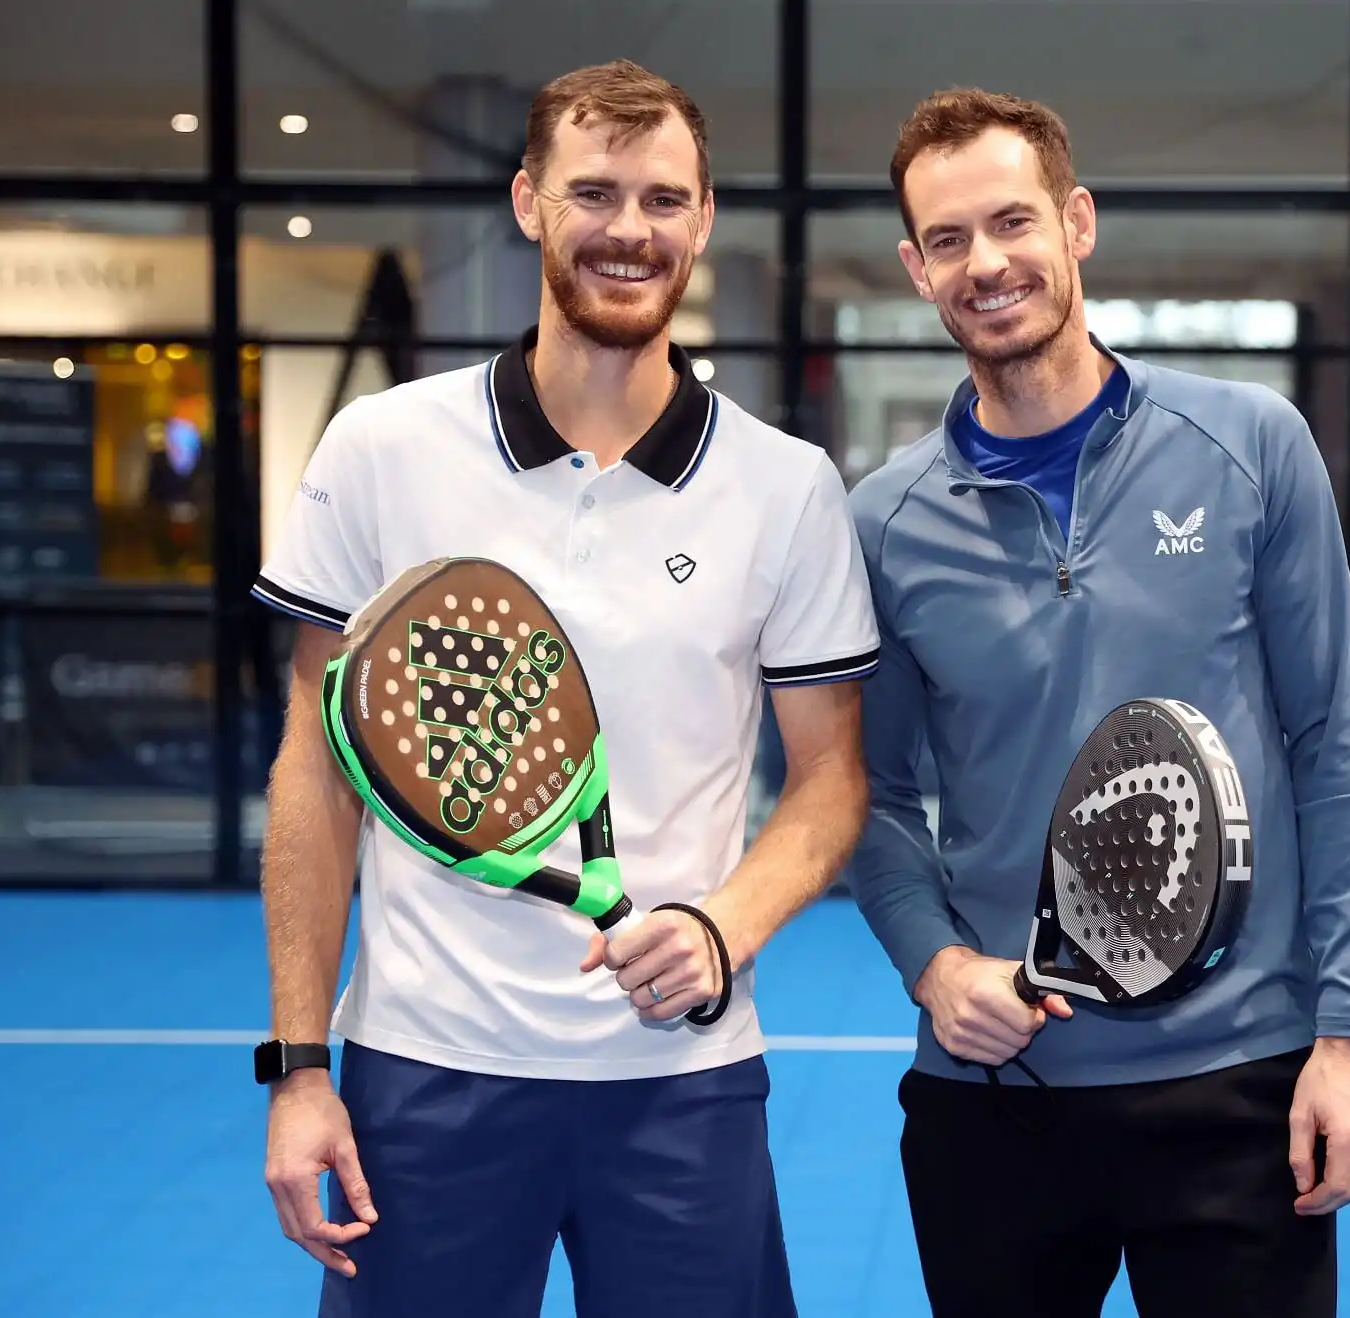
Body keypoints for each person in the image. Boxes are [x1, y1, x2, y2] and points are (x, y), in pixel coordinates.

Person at [249, 59, 878, 1318]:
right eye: (594, 193)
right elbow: (317, 766)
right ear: (530, 201)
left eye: (662, 200)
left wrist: (719, 929)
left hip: (686, 1085)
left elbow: (828, 785)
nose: (628, 231)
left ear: (702, 221)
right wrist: (301, 1066)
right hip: (425, 1077)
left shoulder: (788, 484)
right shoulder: (383, 447)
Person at [845, 87, 1350, 1317]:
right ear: (915, 266)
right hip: (996, 1095)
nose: (986, 263)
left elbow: (1335, 752)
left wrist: (1349, 1037)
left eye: (1013, 222)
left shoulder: (1253, 443)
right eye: (948, 239)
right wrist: (934, 967)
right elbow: (866, 796)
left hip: (1240, 1087)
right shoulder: (878, 521)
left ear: (1076, 222)